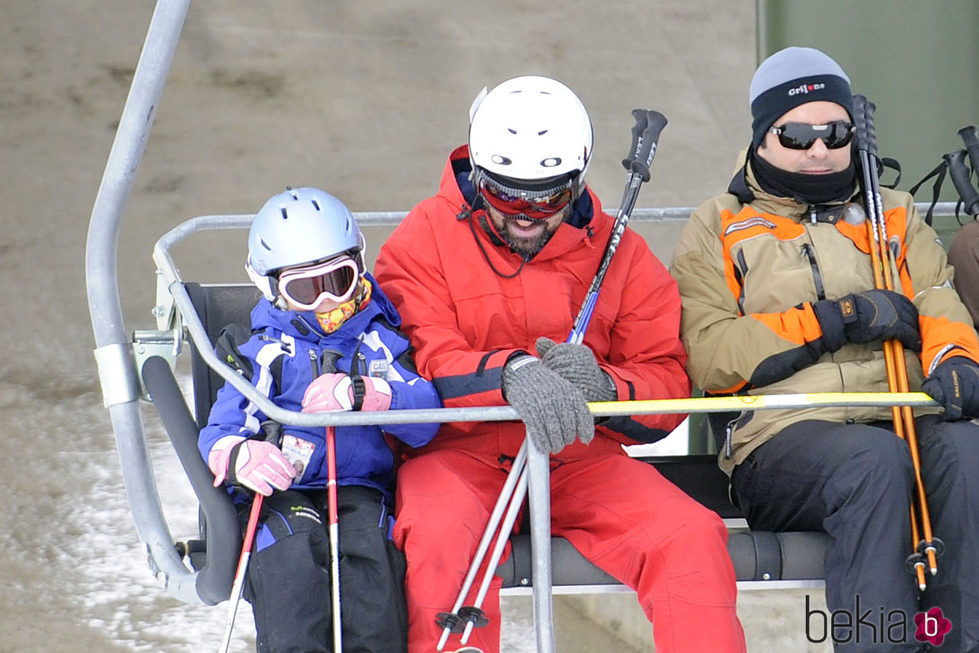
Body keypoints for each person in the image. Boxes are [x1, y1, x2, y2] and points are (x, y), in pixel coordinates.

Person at [374, 75, 746, 653]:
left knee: (688, 535)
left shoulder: (619, 252)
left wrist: (606, 388)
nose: (525, 214)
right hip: (457, 454)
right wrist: (506, 375)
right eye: (504, 195)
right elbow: (418, 355)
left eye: (547, 197)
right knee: (440, 533)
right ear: (478, 176)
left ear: (575, 183)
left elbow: (666, 376)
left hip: (578, 456)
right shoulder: (424, 239)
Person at [670, 46, 979, 652]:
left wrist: (955, 359)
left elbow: (939, 295)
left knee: (969, 452)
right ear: (762, 138)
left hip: (901, 413)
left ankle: (958, 641)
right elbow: (709, 352)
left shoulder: (891, 213)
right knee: (872, 464)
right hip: (784, 436)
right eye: (796, 134)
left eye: (834, 132)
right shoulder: (719, 225)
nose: (818, 148)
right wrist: (835, 318)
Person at [199, 187, 442, 653]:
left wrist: (369, 394)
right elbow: (221, 429)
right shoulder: (264, 355)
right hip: (281, 493)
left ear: (359, 266)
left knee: (371, 573)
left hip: (359, 489)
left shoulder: (375, 344)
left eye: (340, 279)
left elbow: (426, 414)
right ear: (273, 289)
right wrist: (239, 455)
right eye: (305, 289)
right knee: (293, 567)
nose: (328, 301)